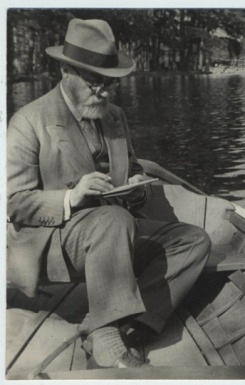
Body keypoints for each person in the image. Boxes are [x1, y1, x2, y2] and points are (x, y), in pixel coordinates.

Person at [7, 18, 211, 369]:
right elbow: (15, 204)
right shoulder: (29, 121)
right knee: (113, 220)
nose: (103, 92)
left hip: (114, 234)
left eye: (110, 84)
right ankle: (106, 341)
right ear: (66, 70)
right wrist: (73, 196)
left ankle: (119, 325)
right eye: (94, 82)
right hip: (55, 242)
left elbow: (130, 170)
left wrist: (136, 192)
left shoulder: (114, 117)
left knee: (194, 241)